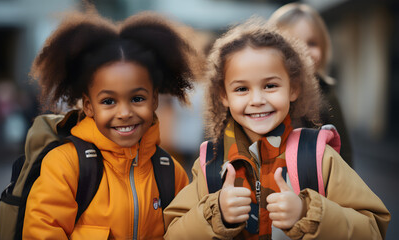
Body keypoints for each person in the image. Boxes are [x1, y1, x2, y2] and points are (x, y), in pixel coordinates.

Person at [163, 17, 390, 239]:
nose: (257, 99)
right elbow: (172, 231)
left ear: (294, 88)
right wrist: (215, 213)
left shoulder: (318, 156)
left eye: (270, 85)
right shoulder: (210, 163)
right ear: (223, 95)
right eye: (242, 89)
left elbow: (373, 227)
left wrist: (307, 212)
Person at [23, 9, 199, 239]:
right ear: (88, 105)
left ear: (154, 98)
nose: (124, 113)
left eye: (137, 98)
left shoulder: (170, 172)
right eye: (108, 101)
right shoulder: (65, 166)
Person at [268, 3, 354, 167]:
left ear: (324, 47)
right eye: (294, 43)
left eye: (312, 43)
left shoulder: (327, 95)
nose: (304, 51)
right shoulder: (265, 92)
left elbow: (345, 155)